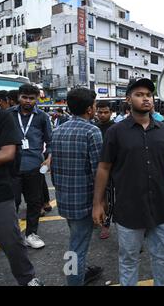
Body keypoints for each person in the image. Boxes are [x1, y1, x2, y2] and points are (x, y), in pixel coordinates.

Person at [93, 78, 164, 286]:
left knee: (162, 259)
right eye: (139, 94)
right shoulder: (115, 132)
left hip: (162, 207)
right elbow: (104, 167)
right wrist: (98, 203)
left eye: (148, 95)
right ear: (128, 99)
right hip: (129, 209)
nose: (145, 99)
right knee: (128, 260)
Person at [51, 88, 103, 286]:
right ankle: (73, 281)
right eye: (95, 106)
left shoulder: (58, 130)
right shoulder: (92, 131)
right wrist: (100, 202)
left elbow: (54, 167)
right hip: (84, 202)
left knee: (76, 243)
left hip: (64, 200)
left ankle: (78, 275)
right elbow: (99, 170)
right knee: (76, 249)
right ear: (90, 109)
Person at [0, 108, 43, 286]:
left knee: (12, 240)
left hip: (0, 192)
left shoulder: (1, 115)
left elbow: (8, 152)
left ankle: (28, 279)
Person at [9, 84, 52, 249]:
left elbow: (50, 141)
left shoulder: (42, 117)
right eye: (24, 97)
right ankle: (11, 236)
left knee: (34, 202)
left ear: (36, 99)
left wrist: (49, 158)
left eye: (31, 98)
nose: (27, 101)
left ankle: (31, 234)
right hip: (11, 167)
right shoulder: (8, 115)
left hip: (34, 166)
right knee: (13, 202)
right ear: (19, 97)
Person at [95, 100, 115, 240]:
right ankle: (102, 222)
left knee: (112, 199)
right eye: (100, 112)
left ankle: (106, 223)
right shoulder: (93, 128)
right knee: (100, 197)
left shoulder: (116, 129)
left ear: (111, 113)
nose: (102, 115)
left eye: (105, 112)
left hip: (114, 169)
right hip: (97, 168)